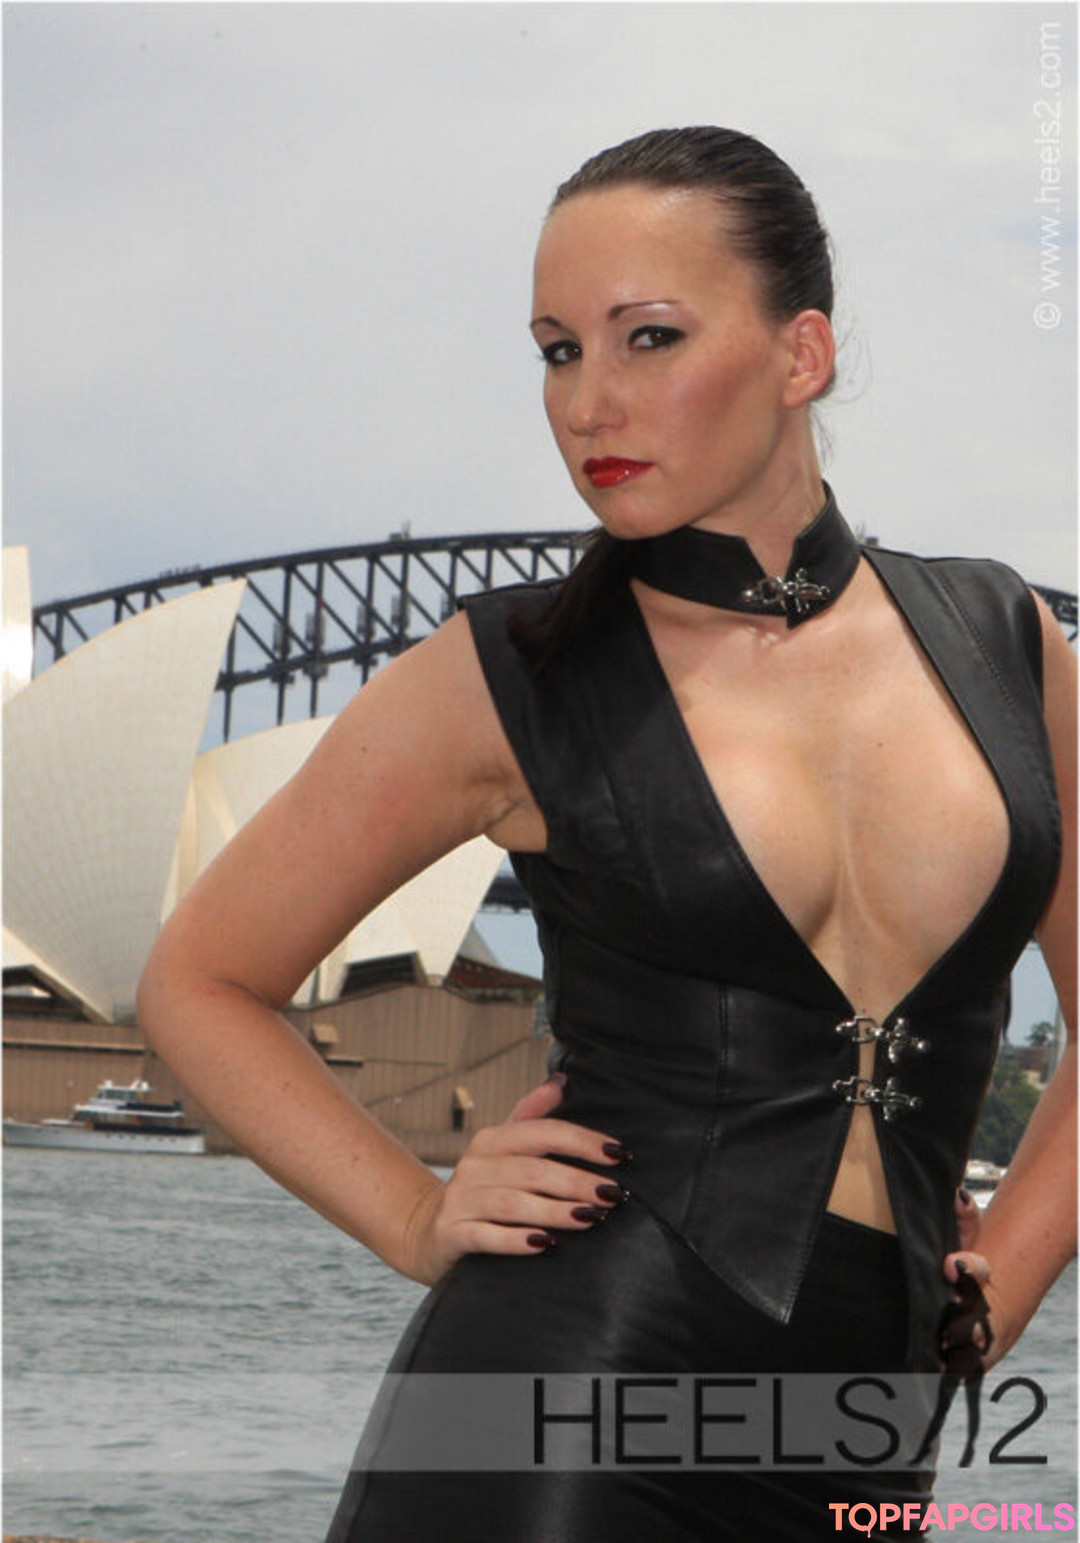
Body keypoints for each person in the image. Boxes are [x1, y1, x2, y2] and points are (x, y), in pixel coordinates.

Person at [137, 127, 1076, 1541]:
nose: (588, 402)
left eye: (649, 337)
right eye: (557, 351)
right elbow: (199, 982)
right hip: (561, 1401)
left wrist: (1004, 1285)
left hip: (872, 1429)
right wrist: (414, 1216)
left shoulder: (1006, 641)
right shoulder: (507, 672)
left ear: (802, 354)